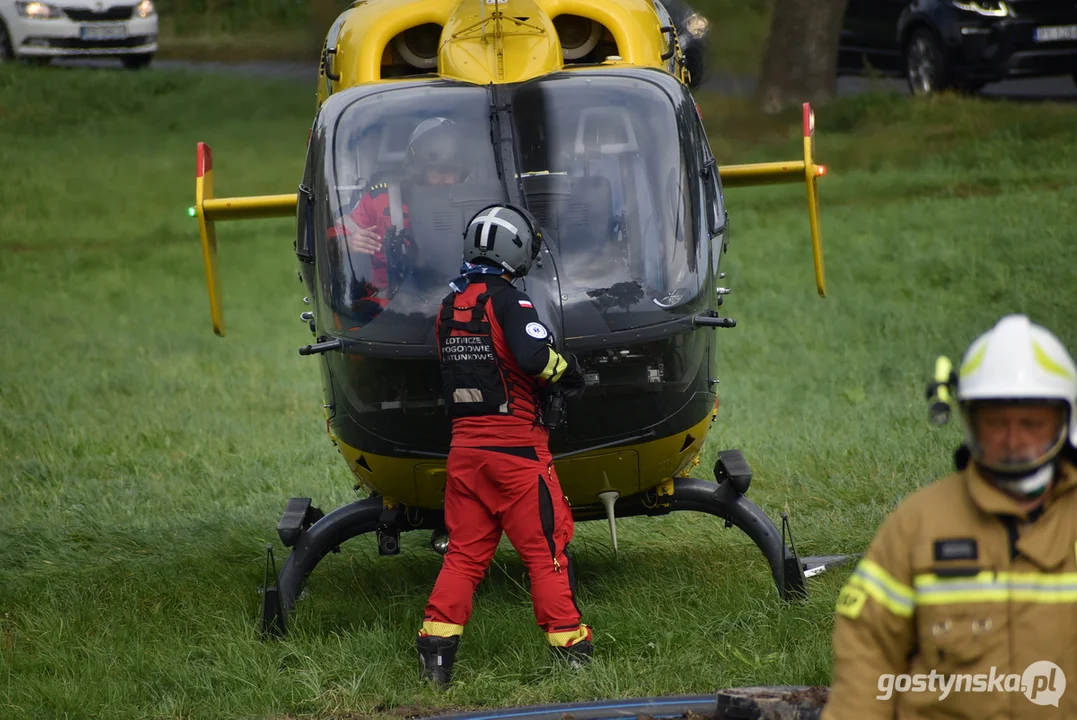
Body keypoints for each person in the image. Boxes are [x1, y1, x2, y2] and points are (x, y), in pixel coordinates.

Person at [820, 314, 1077, 719]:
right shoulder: (919, 525)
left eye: (1030, 423)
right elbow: (869, 649)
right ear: (970, 422)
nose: (1013, 441)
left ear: (1064, 422)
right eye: (997, 424)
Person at [416, 203, 591, 688]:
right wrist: (570, 370)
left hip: (466, 455)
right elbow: (536, 357)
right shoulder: (510, 301)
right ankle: (573, 654)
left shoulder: (449, 308)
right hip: (517, 455)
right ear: (517, 251)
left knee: (465, 557)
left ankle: (435, 656)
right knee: (547, 554)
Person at [327, 117, 470, 309]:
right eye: (441, 171)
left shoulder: (478, 201)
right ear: (419, 168)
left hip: (466, 304)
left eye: (456, 171)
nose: (450, 180)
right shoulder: (383, 199)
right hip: (395, 311)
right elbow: (331, 239)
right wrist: (350, 242)